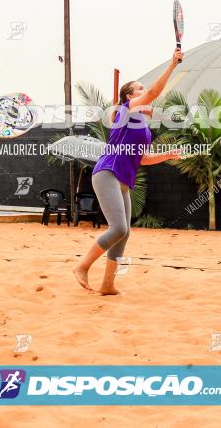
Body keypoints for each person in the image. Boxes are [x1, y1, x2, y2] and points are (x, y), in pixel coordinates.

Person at [73, 48, 184, 295]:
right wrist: (173, 64)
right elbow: (155, 92)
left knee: (125, 233)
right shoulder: (126, 110)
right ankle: (82, 267)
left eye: (144, 89)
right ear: (130, 96)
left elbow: (142, 159)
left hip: (123, 179)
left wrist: (167, 155)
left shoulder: (143, 127)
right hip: (107, 173)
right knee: (119, 228)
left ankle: (107, 285)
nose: (146, 92)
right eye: (140, 89)